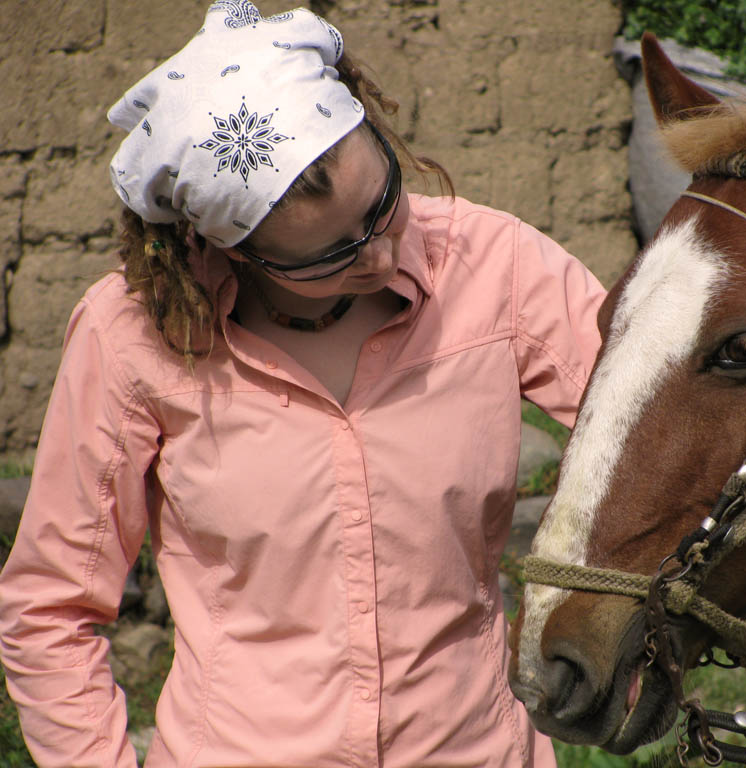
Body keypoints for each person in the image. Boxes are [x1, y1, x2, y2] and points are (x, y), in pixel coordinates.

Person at [0, 2, 607, 766]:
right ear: (237, 252)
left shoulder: (496, 268)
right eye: (329, 257)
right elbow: (49, 609)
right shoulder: (134, 337)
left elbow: (660, 420)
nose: (383, 259)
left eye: (384, 205)